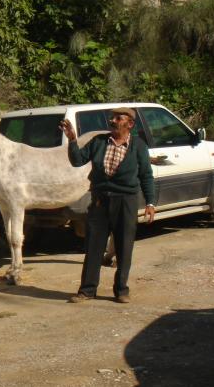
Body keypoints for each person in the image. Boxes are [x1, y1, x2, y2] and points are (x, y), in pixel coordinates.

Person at [59, 107, 156, 303]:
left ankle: (121, 290)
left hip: (126, 201)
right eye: (112, 118)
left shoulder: (138, 146)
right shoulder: (99, 142)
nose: (112, 121)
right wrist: (72, 140)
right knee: (94, 246)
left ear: (129, 124)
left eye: (118, 118)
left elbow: (146, 175)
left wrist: (150, 202)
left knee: (124, 246)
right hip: (100, 200)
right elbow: (77, 161)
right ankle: (87, 290)